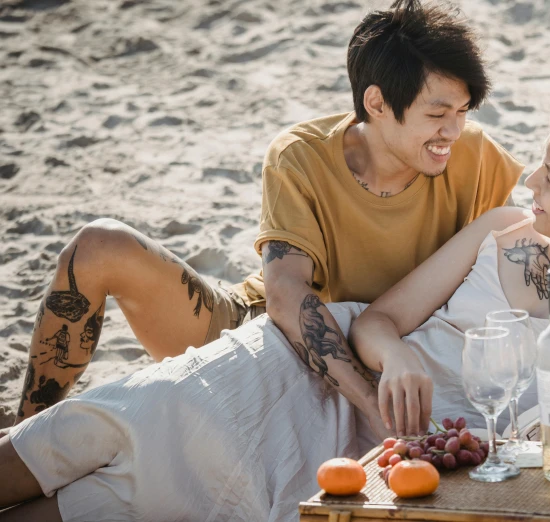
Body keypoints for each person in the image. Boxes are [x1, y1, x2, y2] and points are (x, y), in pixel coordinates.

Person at [0, 94, 550, 521]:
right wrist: (396, 353)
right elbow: (376, 320)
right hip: (327, 376)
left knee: (113, 501)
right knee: (122, 420)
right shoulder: (501, 230)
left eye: (549, 176)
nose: (527, 180)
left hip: (423, 452)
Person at [6, 0, 523, 437]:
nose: (453, 131)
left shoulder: (476, 156)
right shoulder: (301, 155)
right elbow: (284, 294)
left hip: (392, 349)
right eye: (437, 114)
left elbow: (537, 252)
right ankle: (25, 433)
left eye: (463, 111)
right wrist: (371, 405)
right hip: (264, 336)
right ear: (378, 103)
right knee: (100, 246)